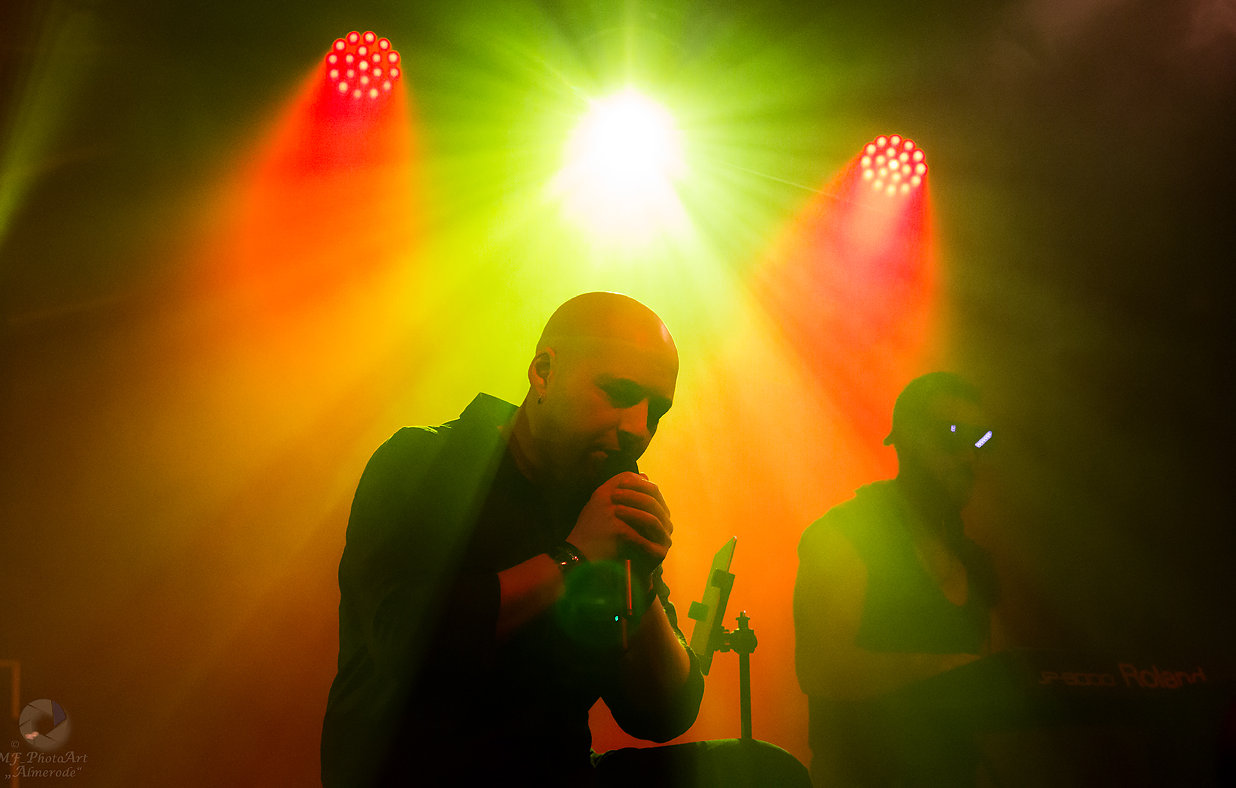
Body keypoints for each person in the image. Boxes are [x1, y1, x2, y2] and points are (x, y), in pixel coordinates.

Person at [323, 292, 808, 788]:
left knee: (767, 774)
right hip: (418, 771)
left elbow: (662, 716)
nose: (638, 429)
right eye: (618, 393)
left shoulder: (601, 499)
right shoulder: (425, 460)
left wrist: (638, 579)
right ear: (544, 372)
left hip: (556, 770)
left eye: (657, 411)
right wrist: (574, 558)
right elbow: (406, 640)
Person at [793, 372, 1000, 788]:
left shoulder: (974, 560)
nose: (969, 454)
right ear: (904, 439)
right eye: (952, 433)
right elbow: (820, 671)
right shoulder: (844, 534)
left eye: (981, 438)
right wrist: (951, 671)